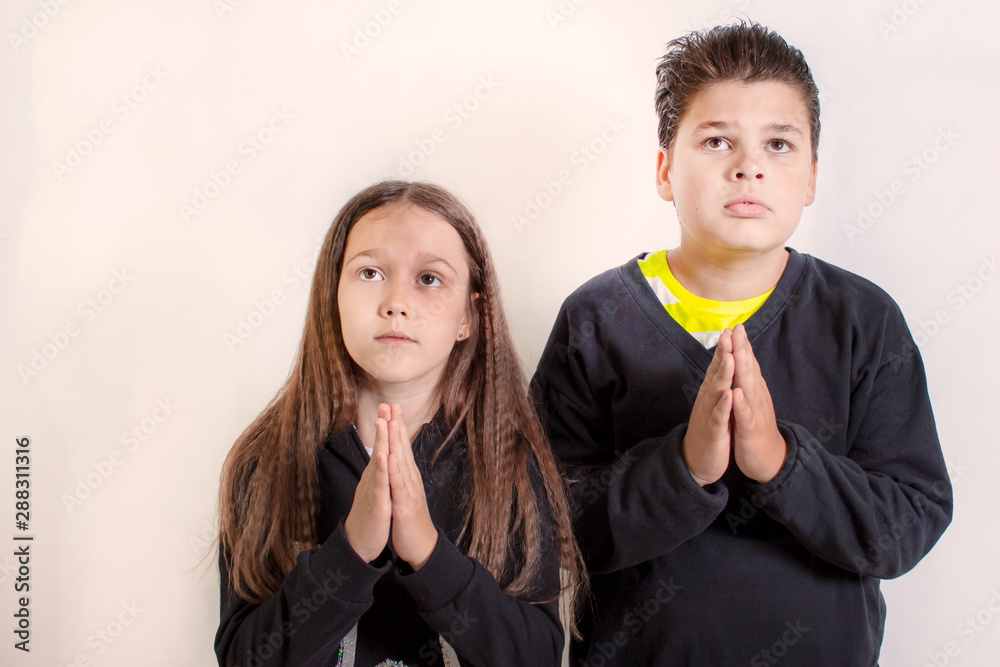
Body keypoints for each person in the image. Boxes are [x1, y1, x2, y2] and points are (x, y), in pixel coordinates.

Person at [531, 22, 952, 666]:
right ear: (667, 170)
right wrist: (684, 468)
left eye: (778, 144)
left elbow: (910, 521)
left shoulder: (863, 320)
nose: (748, 165)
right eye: (717, 140)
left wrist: (782, 464)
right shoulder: (598, 318)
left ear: (811, 177)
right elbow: (541, 527)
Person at [216, 180, 582, 666]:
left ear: (468, 317)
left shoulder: (509, 462)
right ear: (333, 297)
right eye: (369, 272)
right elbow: (245, 659)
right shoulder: (266, 459)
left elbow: (535, 657)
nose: (395, 302)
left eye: (429, 279)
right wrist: (351, 552)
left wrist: (430, 554)